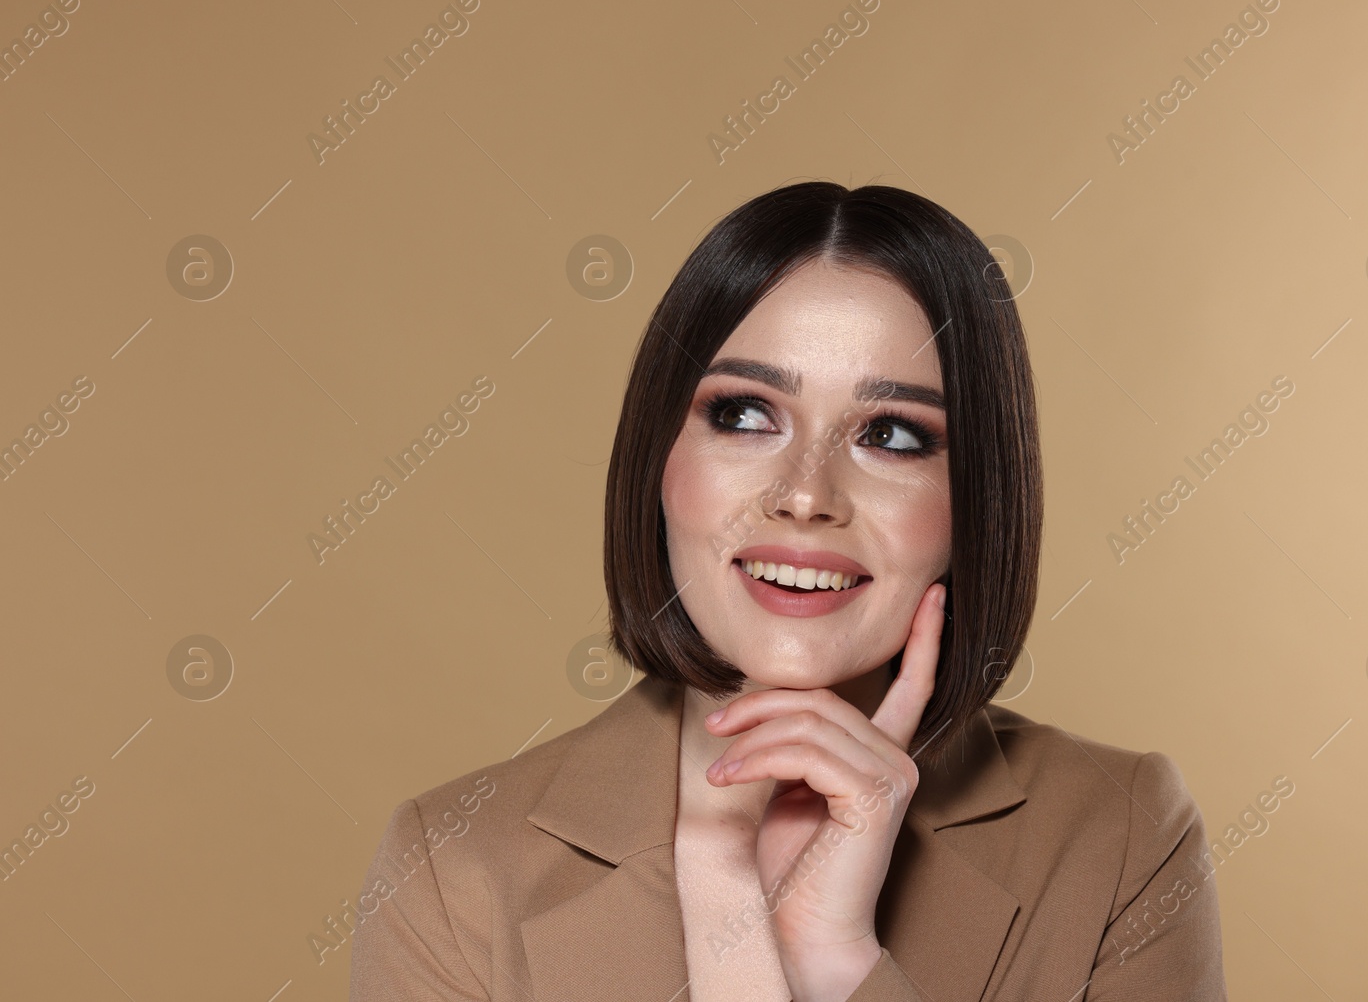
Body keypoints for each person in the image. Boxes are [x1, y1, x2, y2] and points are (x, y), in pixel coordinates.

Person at [348, 181, 1228, 1001]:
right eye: (743, 414)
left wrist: (833, 956)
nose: (806, 494)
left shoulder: (1116, 840)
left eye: (890, 433)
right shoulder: (455, 869)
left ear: (977, 499)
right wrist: (719, 872)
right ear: (659, 462)